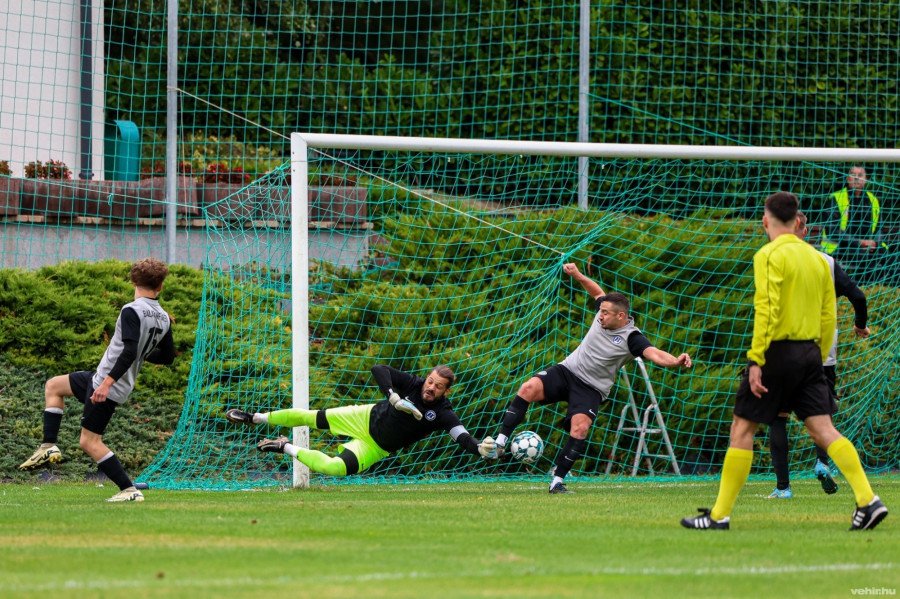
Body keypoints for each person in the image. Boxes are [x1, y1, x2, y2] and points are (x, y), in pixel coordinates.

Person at [681, 191, 888, 531]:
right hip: (812, 354)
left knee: (742, 428)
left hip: (776, 351)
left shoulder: (767, 255)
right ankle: (868, 500)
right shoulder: (819, 258)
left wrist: (756, 359)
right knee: (824, 429)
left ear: (765, 221)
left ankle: (718, 516)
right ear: (797, 222)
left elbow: (767, 309)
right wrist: (817, 359)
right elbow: (828, 313)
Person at [493, 263, 693, 494]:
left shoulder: (632, 338)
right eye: (601, 311)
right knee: (528, 387)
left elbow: (654, 353)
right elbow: (597, 293)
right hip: (567, 371)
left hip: (592, 388)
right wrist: (577, 275)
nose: (600, 316)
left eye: (605, 313)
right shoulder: (603, 312)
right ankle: (499, 443)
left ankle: (557, 481)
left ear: (621, 316)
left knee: (580, 429)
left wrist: (676, 361)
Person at [18, 258, 175, 503]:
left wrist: (106, 384)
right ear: (161, 286)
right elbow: (167, 358)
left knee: (89, 442)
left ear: (132, 281)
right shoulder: (164, 318)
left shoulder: (131, 310)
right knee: (54, 386)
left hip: (107, 383)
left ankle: (129, 489)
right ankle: (49, 446)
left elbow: (129, 352)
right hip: (100, 377)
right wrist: (136, 358)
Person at [224, 364, 498, 477]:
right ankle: (255, 418)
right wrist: (392, 396)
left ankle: (283, 446)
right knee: (309, 417)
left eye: (438, 386)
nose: (430, 387)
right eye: (430, 381)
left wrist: (479, 448)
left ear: (446, 391)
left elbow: (461, 436)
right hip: (363, 417)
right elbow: (379, 370)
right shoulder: (413, 384)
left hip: (376, 447)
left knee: (335, 469)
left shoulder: (443, 414)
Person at [767, 211, 870, 499]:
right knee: (822, 419)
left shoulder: (774, 259)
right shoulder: (827, 261)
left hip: (786, 352)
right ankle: (823, 463)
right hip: (824, 355)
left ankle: (783, 488)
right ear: (807, 230)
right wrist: (860, 325)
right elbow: (859, 297)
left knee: (778, 418)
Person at [820, 165, 888, 281]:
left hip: (868, 246)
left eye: (860, 175)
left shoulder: (873, 200)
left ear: (866, 179)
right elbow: (833, 231)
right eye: (853, 174)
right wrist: (859, 242)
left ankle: (886, 287)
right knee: (864, 256)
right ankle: (861, 286)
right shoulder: (837, 198)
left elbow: (879, 228)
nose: (857, 178)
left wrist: (875, 243)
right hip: (841, 246)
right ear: (848, 178)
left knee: (890, 256)